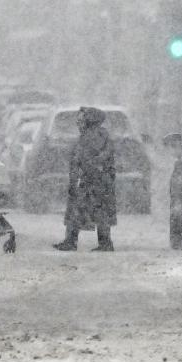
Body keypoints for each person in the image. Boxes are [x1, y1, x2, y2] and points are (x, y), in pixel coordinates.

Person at [54, 106, 117, 252]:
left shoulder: (89, 137)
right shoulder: (102, 136)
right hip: (100, 181)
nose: (78, 123)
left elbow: (82, 159)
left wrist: (78, 177)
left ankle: (71, 241)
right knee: (100, 211)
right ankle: (104, 242)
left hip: (90, 180)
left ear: (89, 121)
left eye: (81, 120)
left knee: (77, 210)